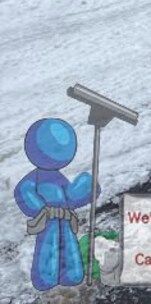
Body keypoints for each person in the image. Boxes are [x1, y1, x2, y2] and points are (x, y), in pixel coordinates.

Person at [14, 118, 96, 291]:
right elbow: (24, 190)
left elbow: (69, 196)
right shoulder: (34, 177)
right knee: (48, 246)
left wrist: (85, 188)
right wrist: (40, 208)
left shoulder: (59, 178)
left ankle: (72, 273)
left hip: (64, 219)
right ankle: (46, 276)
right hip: (49, 219)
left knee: (68, 245)